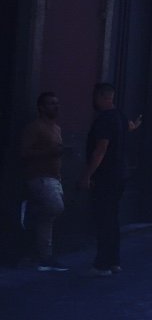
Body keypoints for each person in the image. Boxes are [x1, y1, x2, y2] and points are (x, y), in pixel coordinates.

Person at [80, 82, 141, 276]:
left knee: (103, 220)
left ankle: (102, 265)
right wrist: (134, 126)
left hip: (106, 176)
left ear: (100, 96)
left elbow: (101, 149)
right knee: (112, 218)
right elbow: (129, 128)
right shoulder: (120, 116)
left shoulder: (104, 120)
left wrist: (87, 175)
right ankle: (114, 261)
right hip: (120, 174)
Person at [20, 92, 66, 272]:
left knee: (47, 219)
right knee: (54, 208)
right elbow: (24, 152)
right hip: (39, 177)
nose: (56, 106)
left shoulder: (57, 128)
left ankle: (44, 256)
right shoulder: (34, 127)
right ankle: (31, 211)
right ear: (41, 107)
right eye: (51, 103)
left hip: (54, 177)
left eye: (57, 103)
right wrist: (50, 152)